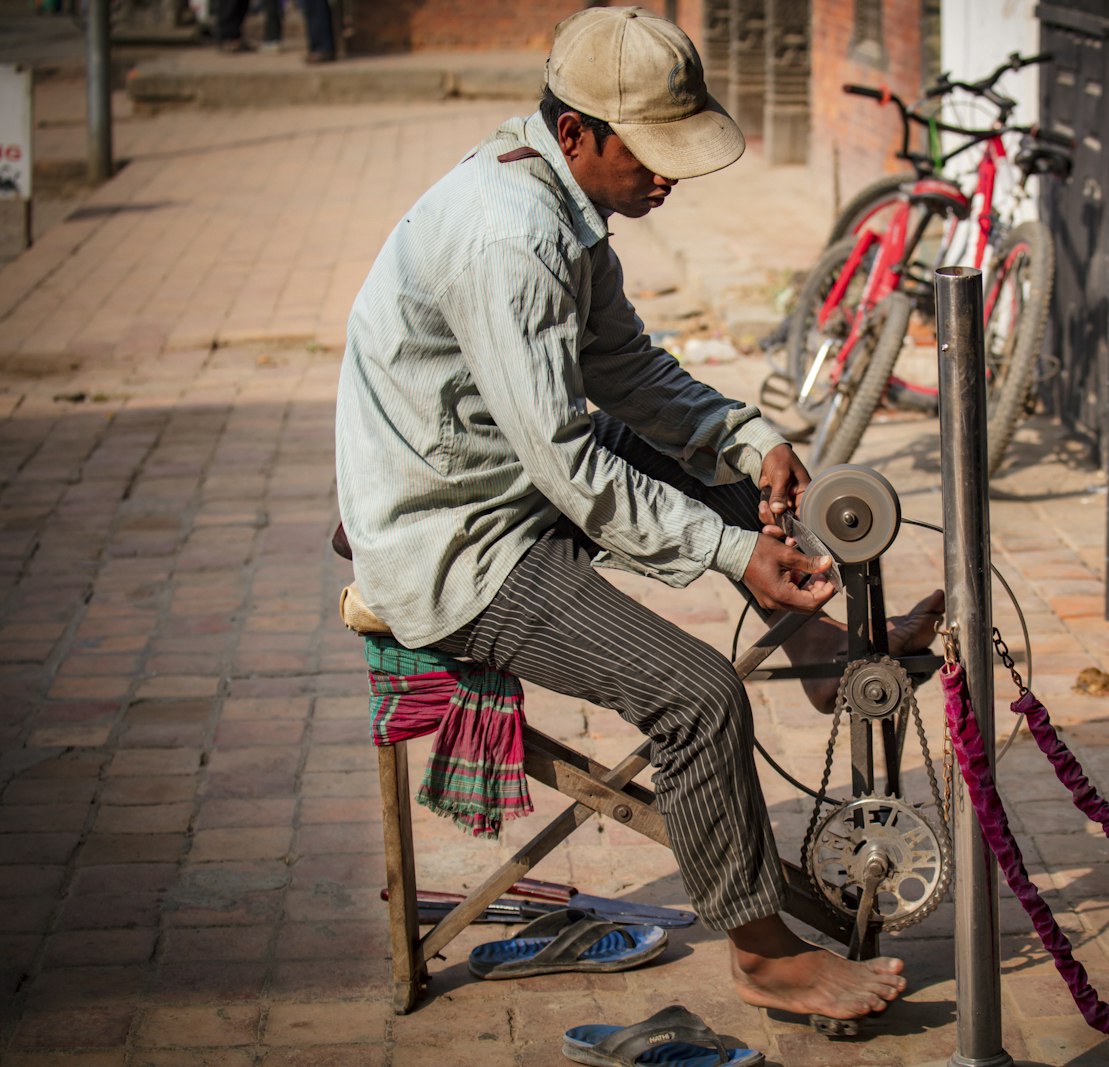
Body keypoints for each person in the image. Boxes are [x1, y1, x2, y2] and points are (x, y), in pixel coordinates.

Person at [334, 6, 940, 1022]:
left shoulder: (562, 206)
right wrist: (729, 547)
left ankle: (821, 650)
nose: (668, 175)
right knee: (696, 696)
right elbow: (567, 460)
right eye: (650, 152)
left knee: (727, 473)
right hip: (456, 541)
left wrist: (750, 444)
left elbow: (626, 372)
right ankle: (762, 953)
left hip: (504, 480)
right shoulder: (512, 236)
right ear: (575, 132)